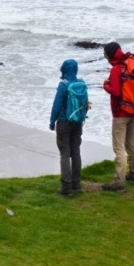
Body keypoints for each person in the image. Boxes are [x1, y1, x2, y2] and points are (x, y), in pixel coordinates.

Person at [102, 41, 134, 192]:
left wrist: (106, 86)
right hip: (133, 110)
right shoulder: (130, 63)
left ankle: (119, 181)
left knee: (118, 148)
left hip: (120, 114)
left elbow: (116, 92)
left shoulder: (117, 69)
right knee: (131, 144)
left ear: (110, 55)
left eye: (105, 54)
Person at [49, 58, 85, 196]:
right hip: (77, 122)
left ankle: (66, 187)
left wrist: (52, 121)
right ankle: (76, 183)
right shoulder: (81, 83)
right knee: (75, 151)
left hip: (64, 123)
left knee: (65, 153)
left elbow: (57, 106)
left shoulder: (63, 85)